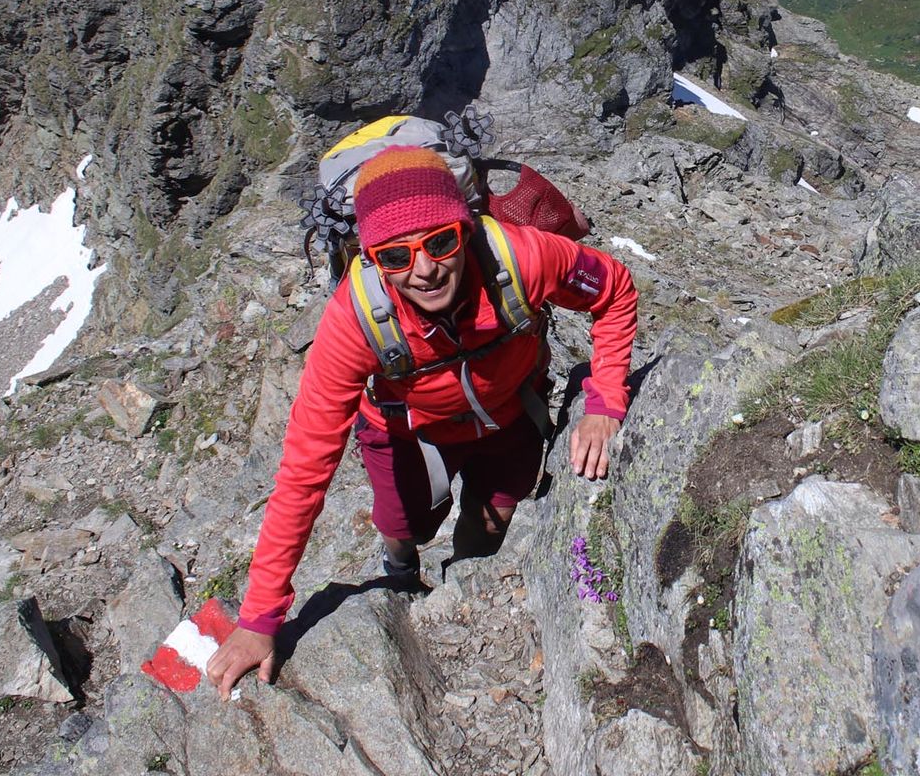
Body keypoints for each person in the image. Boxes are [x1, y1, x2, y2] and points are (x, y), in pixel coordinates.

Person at [208, 145, 637, 697]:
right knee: (405, 525)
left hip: (509, 414)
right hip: (405, 429)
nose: (426, 270)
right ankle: (401, 568)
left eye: (440, 242)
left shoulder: (521, 258)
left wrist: (605, 399)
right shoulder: (355, 320)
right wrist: (259, 617)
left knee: (491, 522)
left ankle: (466, 578)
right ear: (372, 259)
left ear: (466, 229)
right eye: (396, 256)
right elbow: (304, 469)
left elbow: (613, 289)